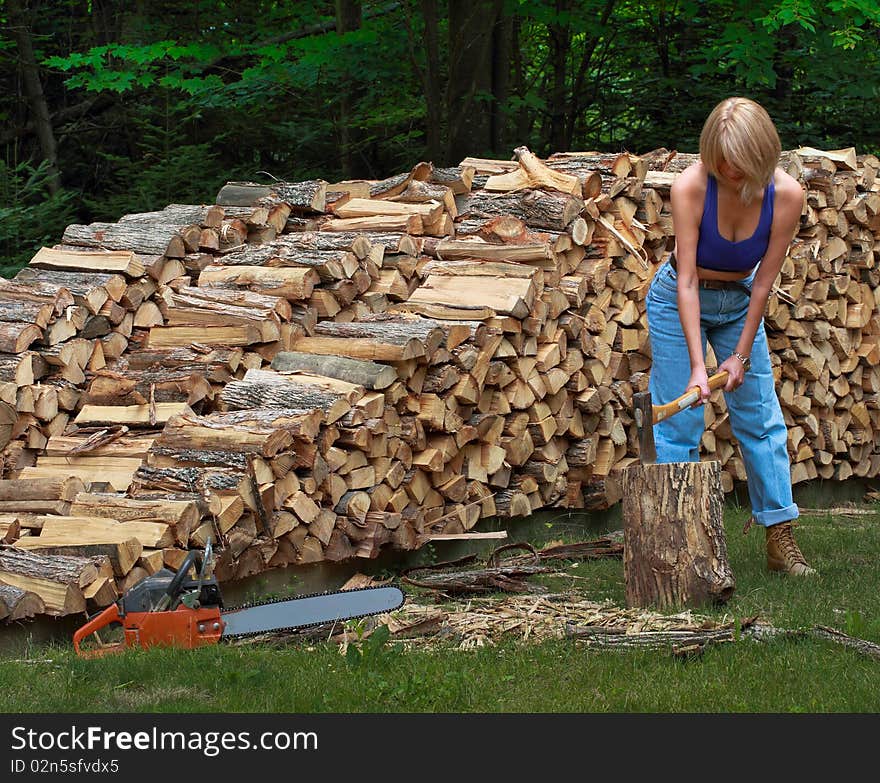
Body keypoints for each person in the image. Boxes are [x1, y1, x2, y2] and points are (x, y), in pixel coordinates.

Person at [645, 96, 816, 576]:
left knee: (761, 418)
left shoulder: (786, 196)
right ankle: (673, 545)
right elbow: (685, 280)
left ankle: (780, 538)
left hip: (741, 299)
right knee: (679, 422)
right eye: (719, 163)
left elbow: (763, 282)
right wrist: (700, 368)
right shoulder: (691, 187)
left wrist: (739, 355)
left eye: (738, 164)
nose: (728, 172)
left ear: (761, 154)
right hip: (681, 296)